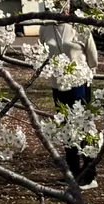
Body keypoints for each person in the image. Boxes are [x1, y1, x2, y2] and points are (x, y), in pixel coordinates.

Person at [40, 11, 100, 190]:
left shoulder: (80, 27)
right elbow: (43, 54)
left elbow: (93, 57)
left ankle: (89, 175)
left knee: (83, 126)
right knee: (65, 126)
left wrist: (83, 73)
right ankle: (72, 173)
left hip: (79, 83)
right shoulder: (45, 29)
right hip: (58, 85)